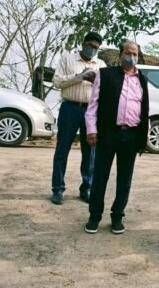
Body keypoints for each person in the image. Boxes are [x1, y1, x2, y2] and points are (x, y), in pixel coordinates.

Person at [83, 40, 149, 234]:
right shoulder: (105, 75)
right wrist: (91, 129)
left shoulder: (142, 79)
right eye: (128, 53)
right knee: (100, 176)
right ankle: (94, 216)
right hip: (108, 133)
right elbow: (93, 105)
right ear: (120, 55)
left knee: (125, 179)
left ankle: (117, 216)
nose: (132, 57)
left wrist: (143, 137)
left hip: (131, 135)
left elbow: (144, 109)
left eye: (135, 54)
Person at [50, 32, 107, 205]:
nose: (92, 50)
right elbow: (57, 82)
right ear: (83, 44)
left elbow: (107, 88)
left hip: (91, 110)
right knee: (62, 149)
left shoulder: (101, 64)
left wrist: (96, 80)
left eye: (96, 48)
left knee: (90, 152)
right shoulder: (67, 59)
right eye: (90, 46)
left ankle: (87, 188)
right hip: (70, 108)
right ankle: (58, 189)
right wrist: (79, 77)